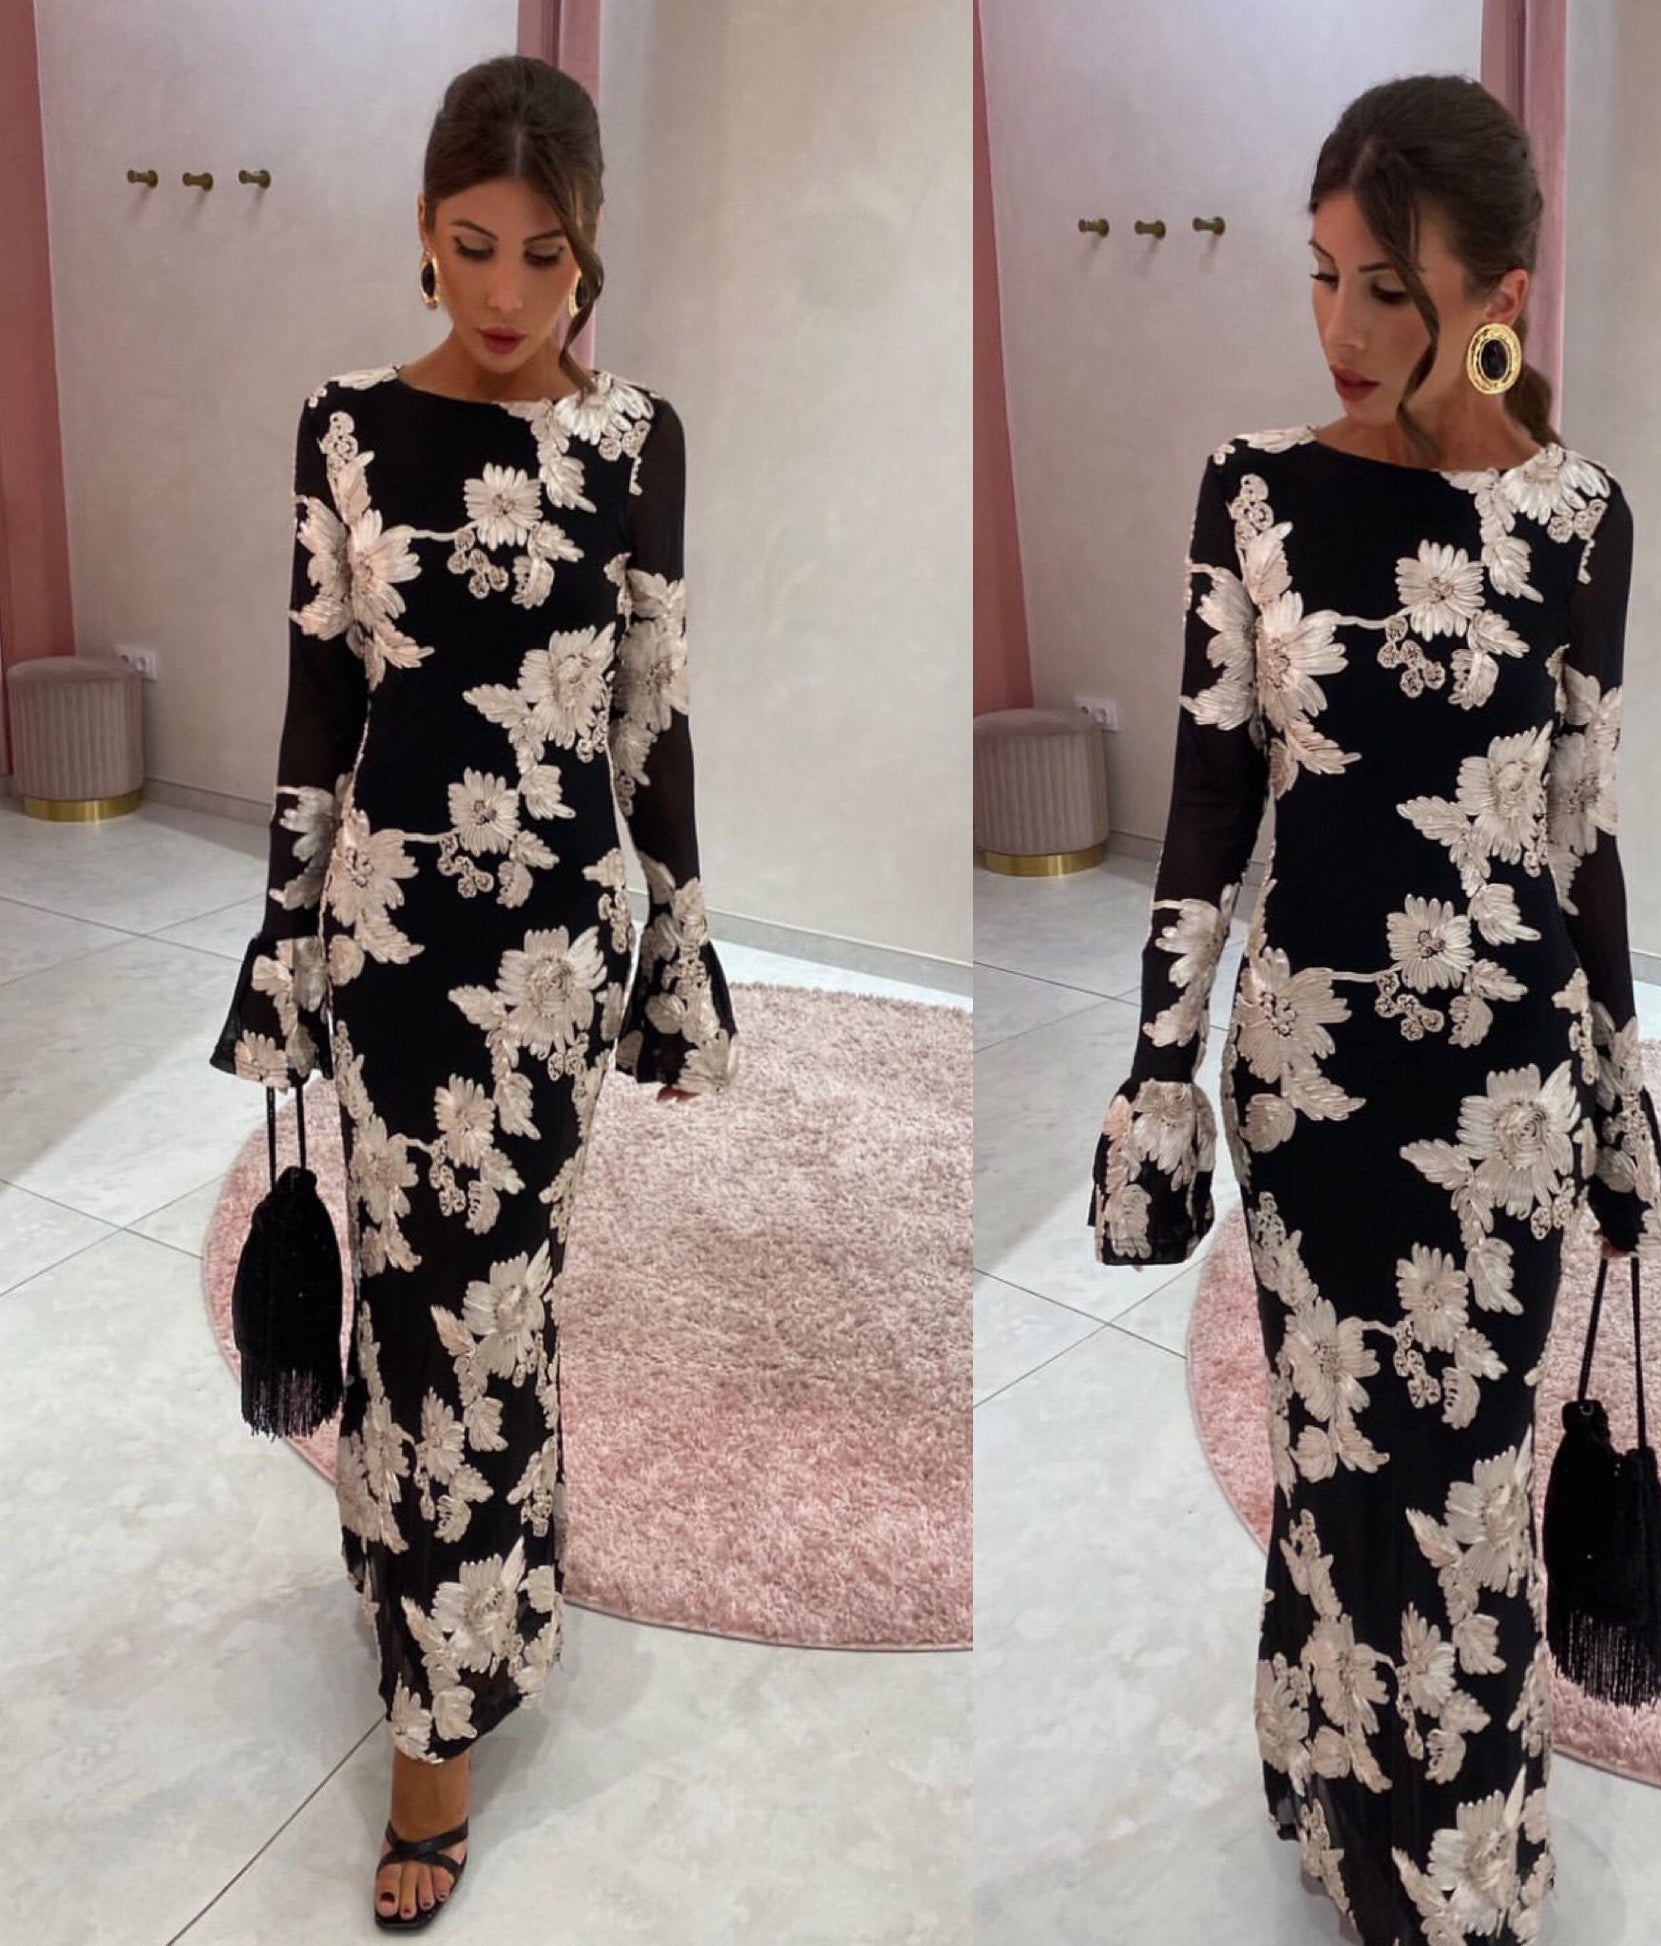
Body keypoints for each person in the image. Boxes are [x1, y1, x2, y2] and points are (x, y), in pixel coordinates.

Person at [1086, 73, 1661, 1946]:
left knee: (1466, 1499)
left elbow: (1578, 831)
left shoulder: (1581, 521)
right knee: (1338, 1467)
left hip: (1502, 1100)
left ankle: (1451, 1886)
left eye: (1387, 291)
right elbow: (1207, 795)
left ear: (1498, 295)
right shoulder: (1255, 491)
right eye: (1323, 276)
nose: (1339, 327)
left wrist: (1618, 1087)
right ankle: (1334, 1780)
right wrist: (1154, 1073)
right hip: (1310, 1091)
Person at [207, 55, 740, 1928]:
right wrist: (281, 942)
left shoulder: (637, 441)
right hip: (391, 946)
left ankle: (451, 1663)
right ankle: (438, 1646)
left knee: (494, 1309)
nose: (506, 293)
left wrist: (680, 945)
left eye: (543, 255)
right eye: (470, 244)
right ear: (421, 235)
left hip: (551, 965)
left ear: (591, 253)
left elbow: (650, 716)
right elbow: (318, 700)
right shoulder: (347, 427)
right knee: (418, 1301)